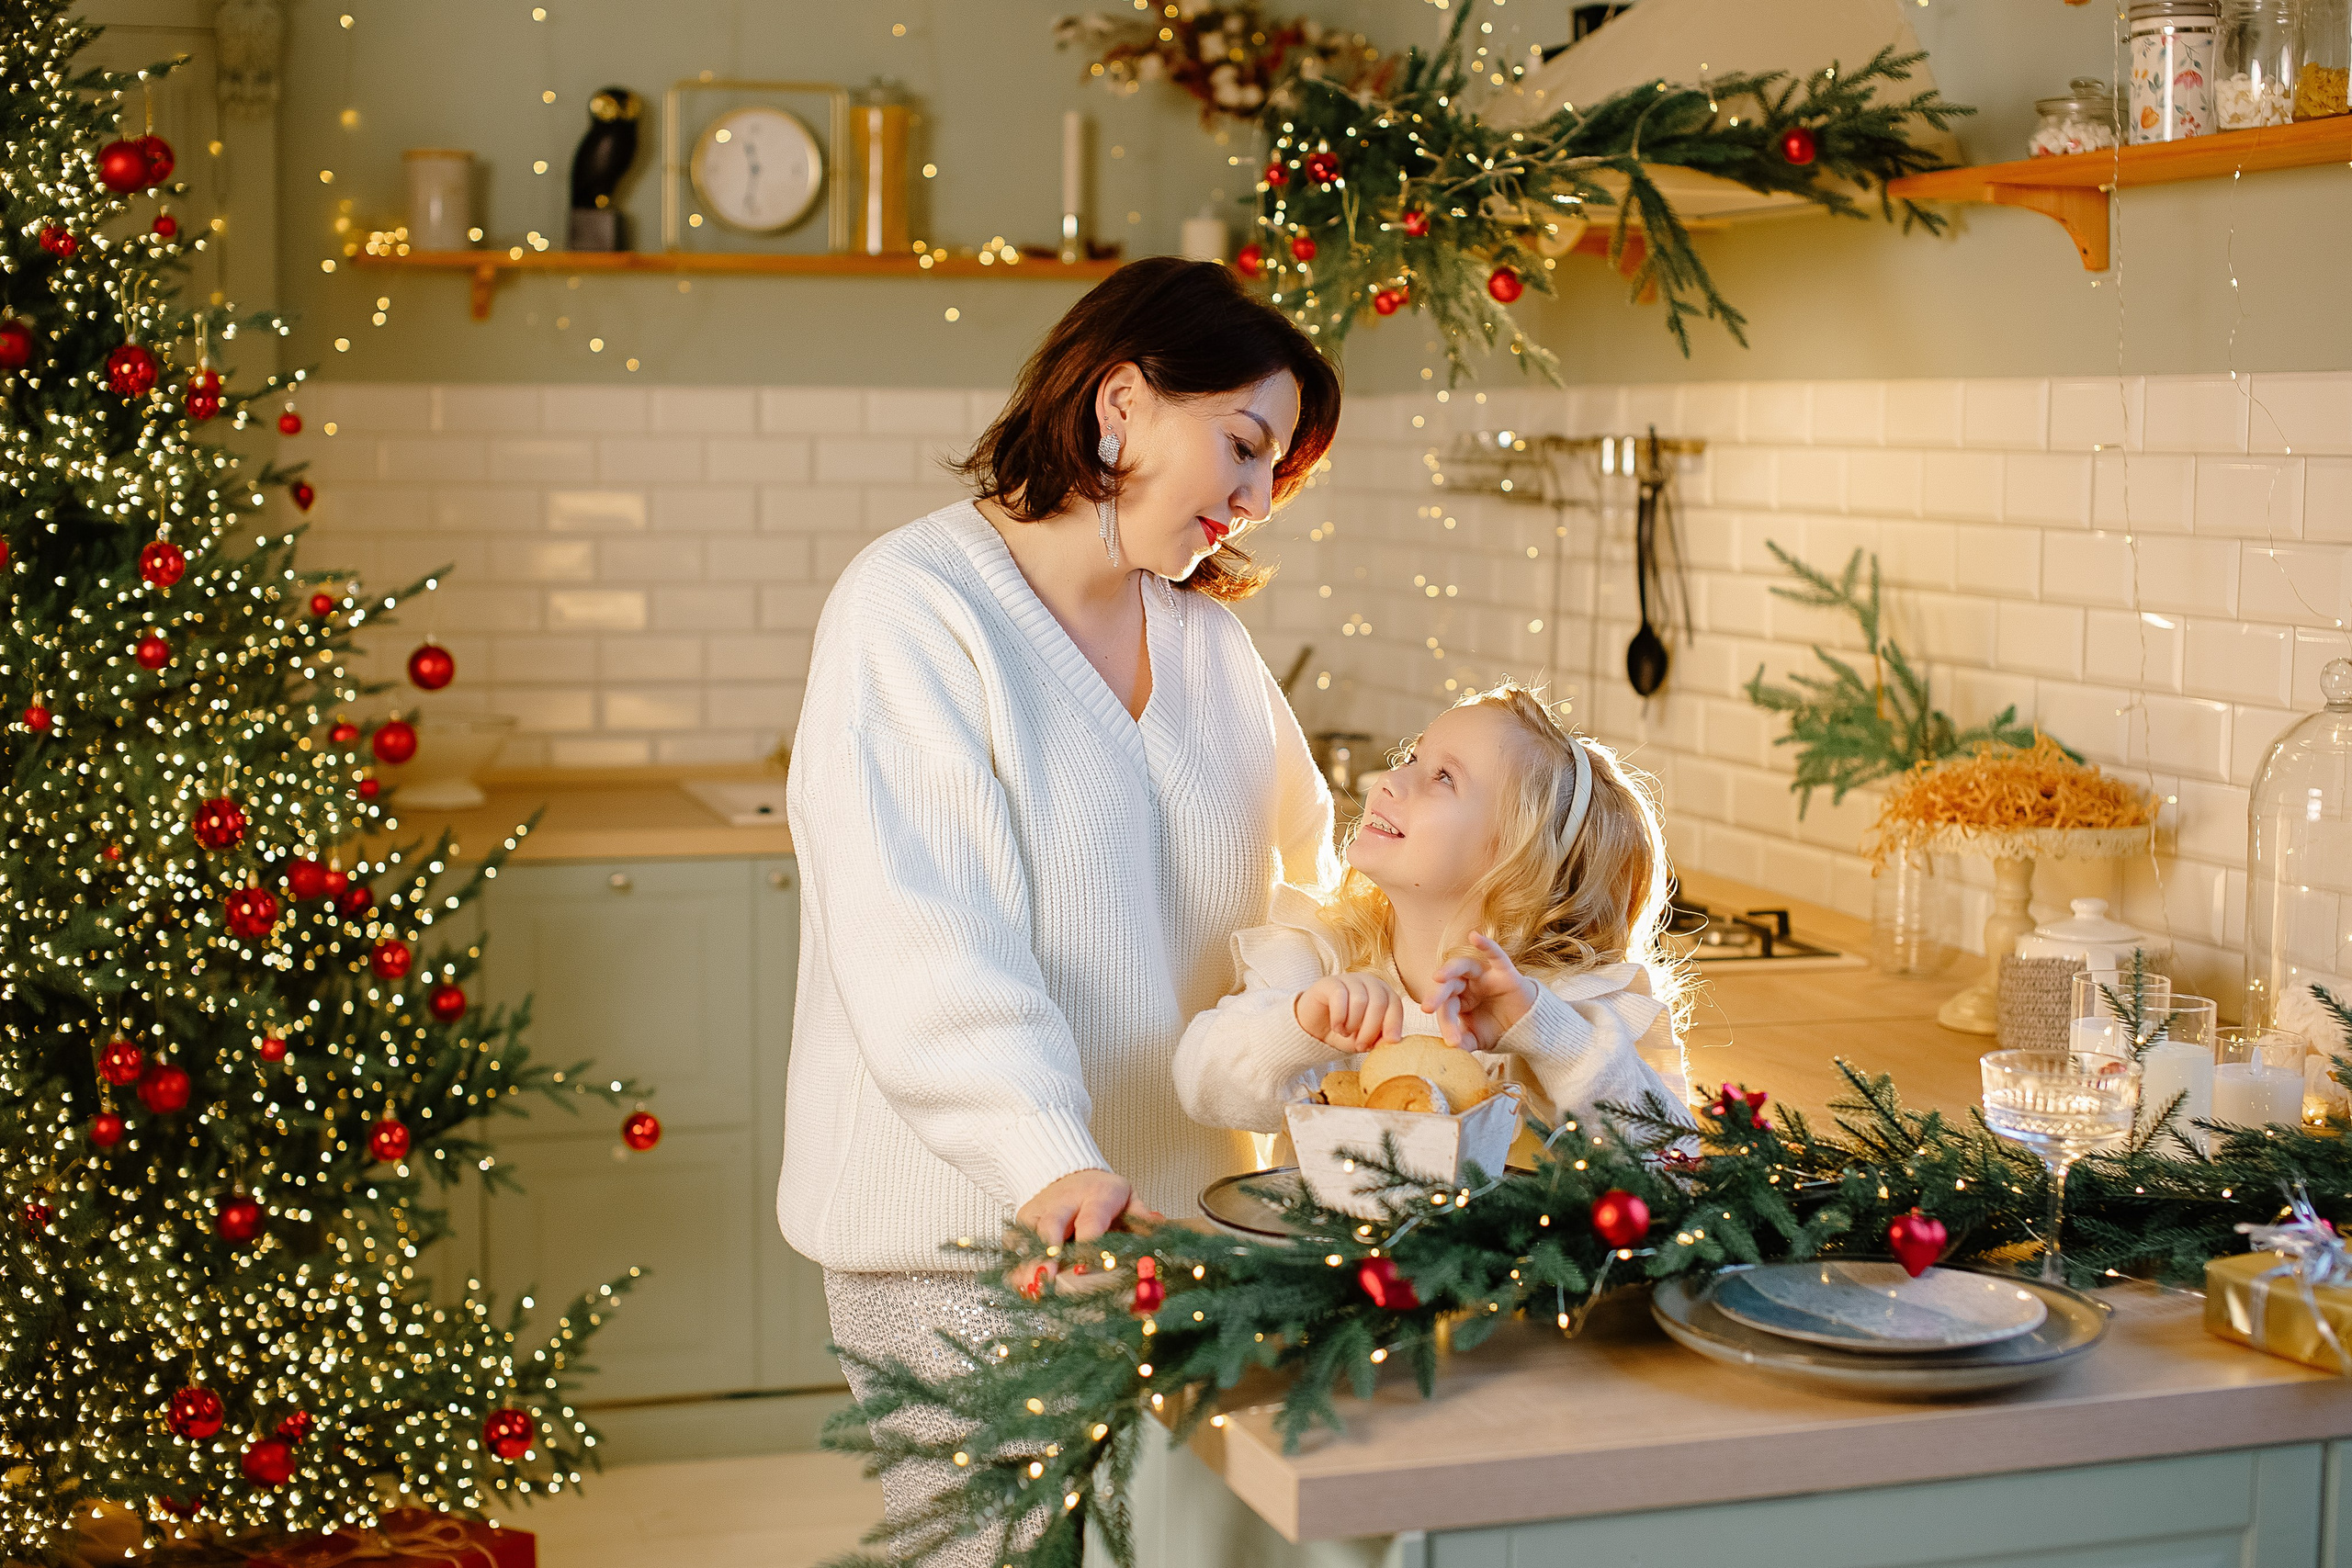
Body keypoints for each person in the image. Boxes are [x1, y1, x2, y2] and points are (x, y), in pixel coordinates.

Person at [780, 257, 1341, 1561]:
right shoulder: (915, 607)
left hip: (1173, 1236)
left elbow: (1306, 877)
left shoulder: (1207, 645)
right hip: (970, 1234)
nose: (1255, 503)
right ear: (1123, 401)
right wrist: (1047, 1155)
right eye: (1245, 447)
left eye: (1277, 474)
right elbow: (923, 932)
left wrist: (1347, 990)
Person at [1172, 681, 1690, 1149]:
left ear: (1518, 856)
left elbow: (1672, 1156)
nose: (1387, 782)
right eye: (1412, 758)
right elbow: (1199, 1083)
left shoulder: (1574, 1008)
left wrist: (1548, 1035)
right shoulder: (1318, 960)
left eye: (1444, 777)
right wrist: (1301, 1024)